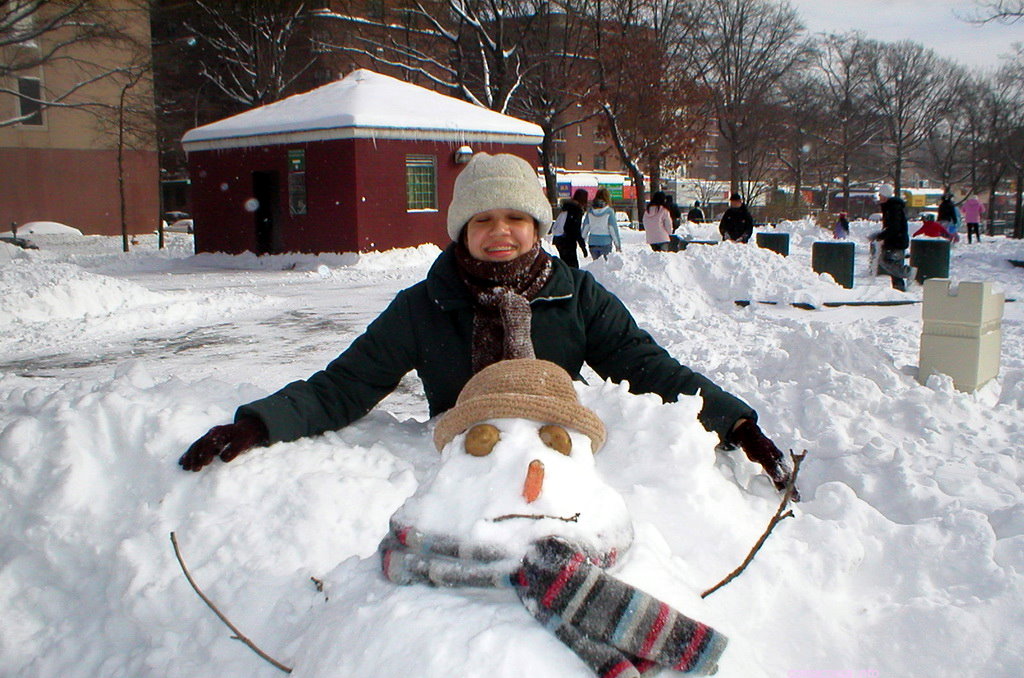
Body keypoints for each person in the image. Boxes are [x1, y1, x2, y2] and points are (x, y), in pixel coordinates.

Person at [178, 152, 795, 494]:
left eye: (515, 218)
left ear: (536, 226)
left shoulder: (575, 295)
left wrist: (736, 423)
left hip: (558, 466)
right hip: (464, 473)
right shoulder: (424, 305)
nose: (500, 232)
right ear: (462, 230)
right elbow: (345, 384)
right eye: (482, 220)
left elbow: (648, 368)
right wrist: (260, 424)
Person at [869, 183, 910, 291]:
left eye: (881, 195)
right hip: (896, 240)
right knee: (893, 267)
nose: (879, 197)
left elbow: (894, 227)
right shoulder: (891, 207)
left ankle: (907, 272)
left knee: (887, 262)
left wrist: (880, 236)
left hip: (896, 241)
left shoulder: (893, 208)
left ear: (885, 195)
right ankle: (899, 290)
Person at [551, 188, 588, 268]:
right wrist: (583, 246)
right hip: (568, 242)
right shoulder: (576, 210)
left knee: (564, 264)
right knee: (572, 267)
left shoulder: (566, 207)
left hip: (559, 240)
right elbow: (576, 230)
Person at [582, 187, 621, 259]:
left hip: (592, 243)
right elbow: (613, 229)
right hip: (605, 243)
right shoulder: (609, 211)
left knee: (596, 264)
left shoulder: (590, 211)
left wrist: (582, 242)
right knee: (604, 264)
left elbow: (585, 228)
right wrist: (618, 245)